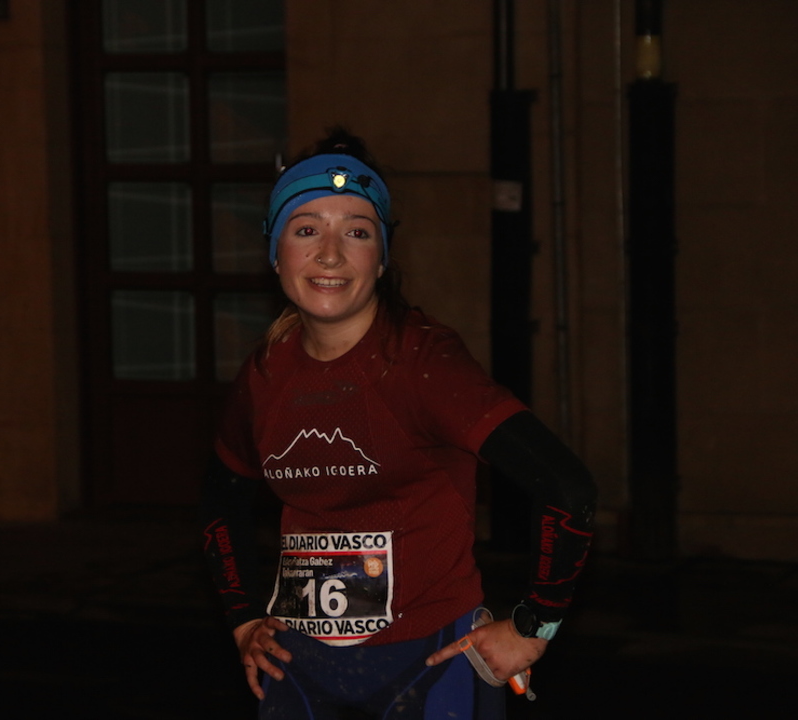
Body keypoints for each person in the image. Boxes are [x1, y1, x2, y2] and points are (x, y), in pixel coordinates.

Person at [201, 128, 596, 719]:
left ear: (382, 258)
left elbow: (567, 487)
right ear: (274, 251)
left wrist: (533, 626)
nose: (330, 254)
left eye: (357, 232)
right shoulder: (264, 372)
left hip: (429, 667)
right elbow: (220, 498)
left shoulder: (423, 362)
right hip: (298, 672)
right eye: (306, 230)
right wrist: (242, 620)